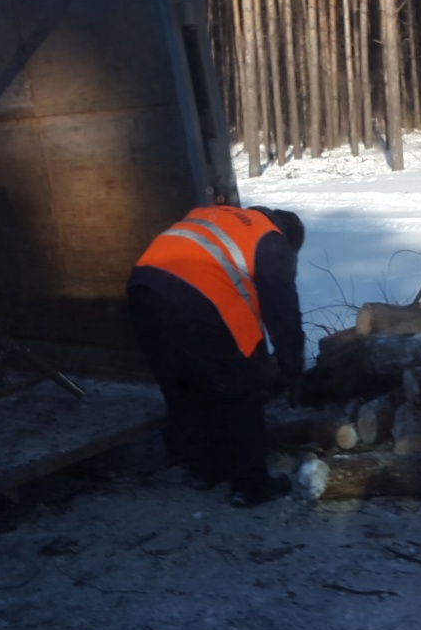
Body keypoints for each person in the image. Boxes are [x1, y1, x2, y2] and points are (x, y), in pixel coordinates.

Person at [126, 204, 305, 507]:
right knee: (239, 394)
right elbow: (282, 312)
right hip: (199, 300)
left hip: (143, 291)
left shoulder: (219, 216)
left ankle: (202, 469)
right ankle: (250, 486)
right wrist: (292, 368)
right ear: (288, 239)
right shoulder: (270, 239)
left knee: (183, 386)